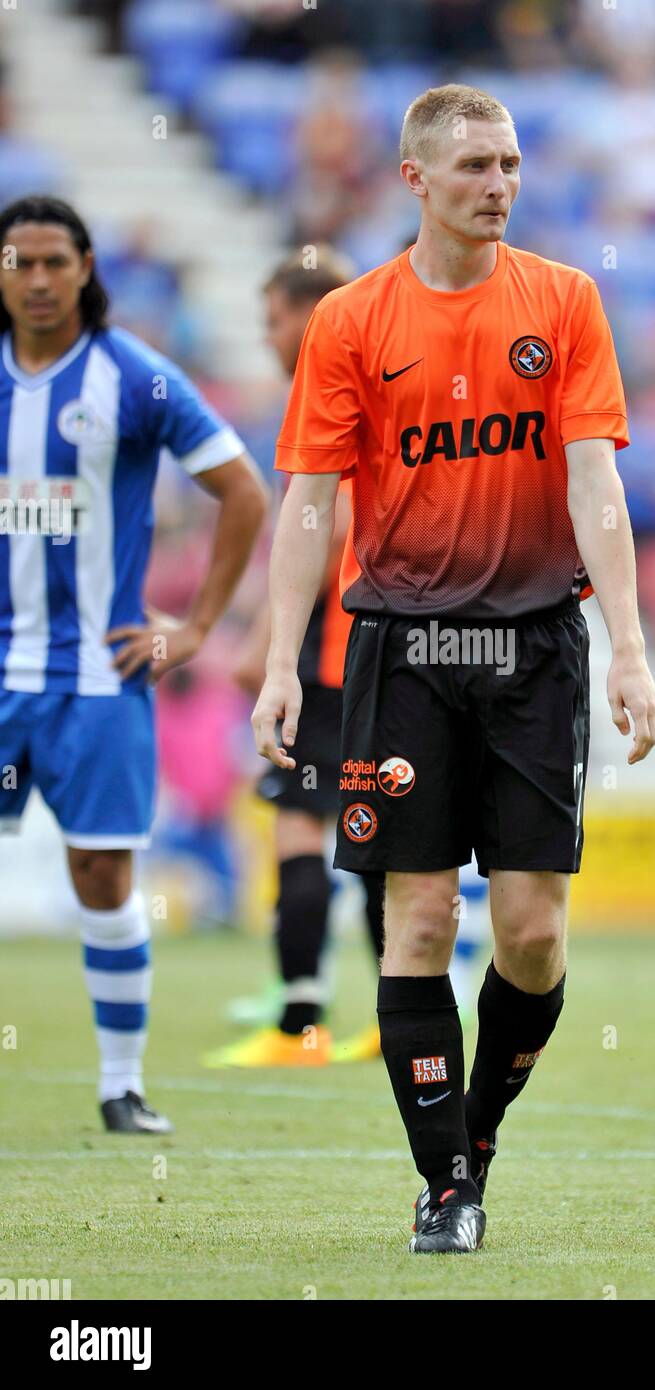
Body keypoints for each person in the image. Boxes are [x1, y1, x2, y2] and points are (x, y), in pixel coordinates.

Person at [252, 85, 655, 1253]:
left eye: (513, 163)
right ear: (415, 179)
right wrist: (283, 663)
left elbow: (596, 486)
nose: (501, 184)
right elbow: (309, 505)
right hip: (402, 650)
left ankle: (471, 1142)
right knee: (416, 920)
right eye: (477, 164)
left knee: (530, 935)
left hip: (535, 647)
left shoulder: (566, 303)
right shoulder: (349, 321)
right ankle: (444, 1187)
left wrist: (627, 647)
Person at [0, 196, 268, 1133]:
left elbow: (242, 490)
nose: (37, 280)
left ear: (85, 270)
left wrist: (194, 629)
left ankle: (121, 1085)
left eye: (54, 263)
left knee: (104, 875)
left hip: (99, 680)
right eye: (19, 262)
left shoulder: (134, 378)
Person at [206, 247, 387, 1068]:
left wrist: (264, 645)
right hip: (385, 642)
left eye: (272, 320)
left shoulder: (336, 384)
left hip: (337, 648)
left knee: (300, 826)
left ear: (306, 317)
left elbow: (335, 521)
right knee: (384, 833)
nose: (267, 335)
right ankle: (398, 1012)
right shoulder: (384, 370)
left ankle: (300, 1026)